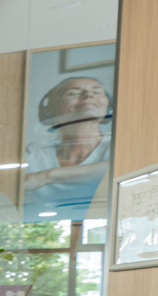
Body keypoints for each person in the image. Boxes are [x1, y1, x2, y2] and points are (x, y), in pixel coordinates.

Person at [23, 74, 112, 220]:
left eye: (97, 92)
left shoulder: (118, 146)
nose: (88, 96)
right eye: (74, 93)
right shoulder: (33, 154)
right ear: (53, 108)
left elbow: (116, 167)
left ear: (108, 106)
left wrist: (47, 176)